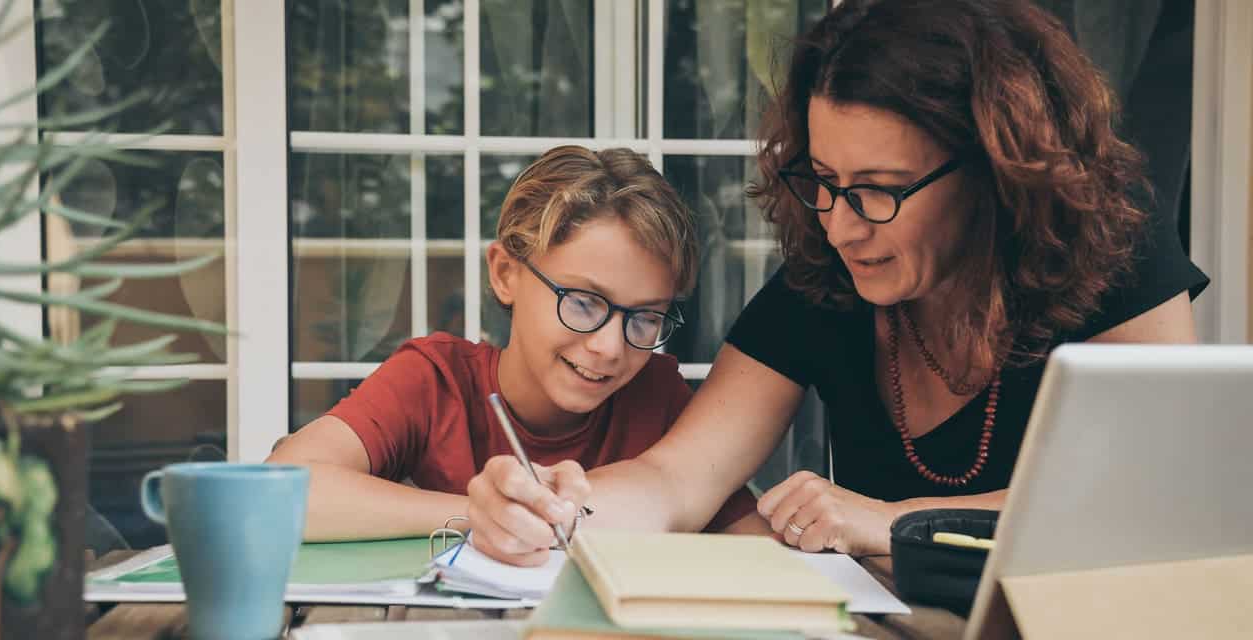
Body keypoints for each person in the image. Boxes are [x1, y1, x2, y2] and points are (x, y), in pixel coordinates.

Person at [464, 0, 1209, 565]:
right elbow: (675, 478)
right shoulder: (822, 284)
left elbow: (1157, 499)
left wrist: (891, 520)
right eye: (823, 181)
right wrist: (559, 510)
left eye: (878, 189)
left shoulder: (1117, 256)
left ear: (992, 172)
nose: (840, 225)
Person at [267, 145, 763, 541]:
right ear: (506, 274)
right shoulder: (435, 381)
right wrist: (482, 514)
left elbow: (753, 545)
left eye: (646, 317)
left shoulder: (658, 398)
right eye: (585, 302)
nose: (610, 348)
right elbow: (278, 493)